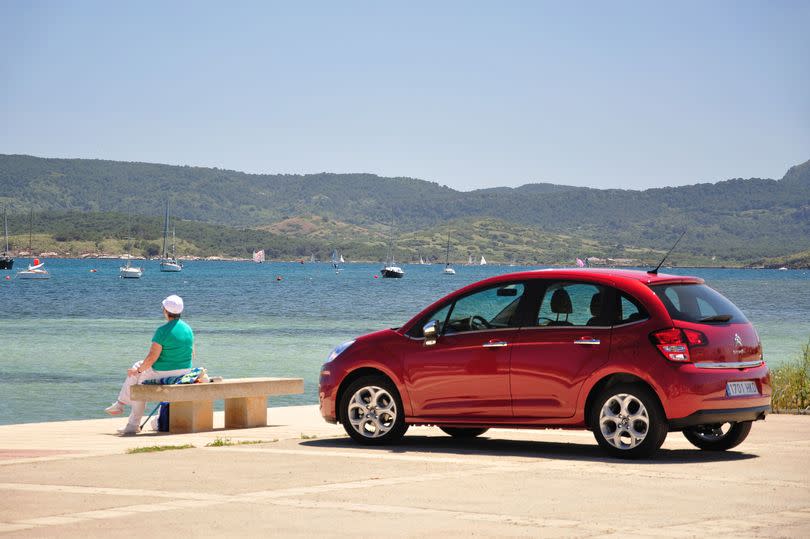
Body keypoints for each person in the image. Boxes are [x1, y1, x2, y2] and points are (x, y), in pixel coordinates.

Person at [105, 294, 194, 434]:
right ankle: (120, 405)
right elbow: (191, 353)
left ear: (165, 310)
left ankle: (130, 419)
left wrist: (138, 371)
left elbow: (152, 357)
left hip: (163, 373)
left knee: (138, 381)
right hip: (183, 372)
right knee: (138, 368)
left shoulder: (162, 331)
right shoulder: (188, 329)